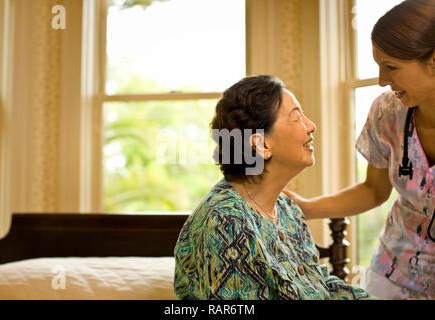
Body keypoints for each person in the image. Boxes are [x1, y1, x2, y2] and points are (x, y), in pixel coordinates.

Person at [173, 75, 375, 300]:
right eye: (297, 117)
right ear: (261, 144)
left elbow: (321, 286)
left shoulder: (287, 209)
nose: (311, 126)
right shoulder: (225, 221)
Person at [283, 0, 434, 300]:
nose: (381, 81)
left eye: (392, 67)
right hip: (394, 269)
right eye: (379, 66)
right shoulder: (387, 112)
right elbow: (373, 190)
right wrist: (308, 208)